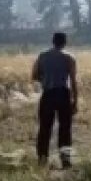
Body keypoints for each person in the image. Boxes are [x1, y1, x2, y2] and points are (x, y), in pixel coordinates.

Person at [31, 32, 77, 168]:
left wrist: (46, 79)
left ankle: (42, 158)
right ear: (65, 42)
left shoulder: (42, 56)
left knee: (45, 128)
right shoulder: (69, 58)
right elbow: (73, 81)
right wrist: (75, 101)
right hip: (63, 94)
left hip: (48, 94)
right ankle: (65, 160)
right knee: (65, 129)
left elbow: (34, 75)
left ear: (53, 41)